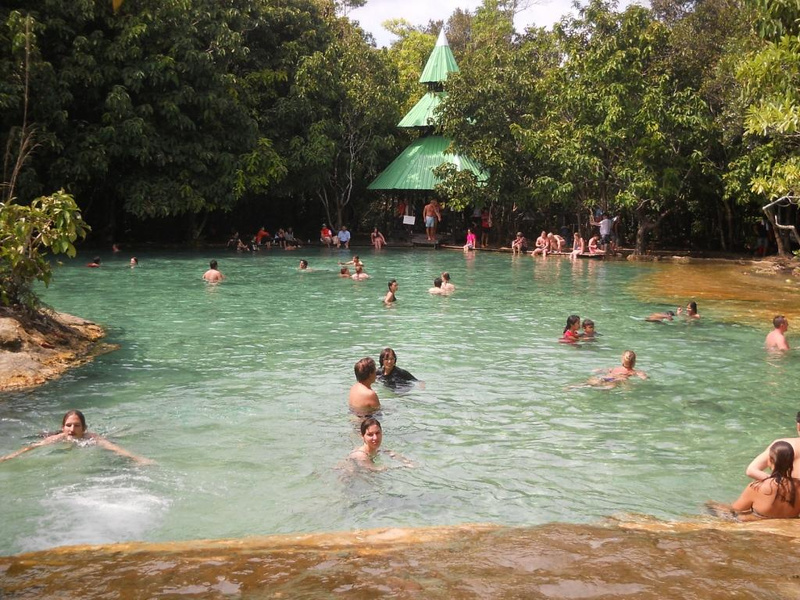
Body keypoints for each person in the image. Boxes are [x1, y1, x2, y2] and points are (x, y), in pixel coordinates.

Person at [0, 410, 153, 465]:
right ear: (63, 427)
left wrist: (138, 459)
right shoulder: (56, 438)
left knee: (117, 436)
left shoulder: (92, 438)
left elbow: (115, 448)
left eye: (77, 425)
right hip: (54, 437)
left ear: (84, 428)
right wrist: (9, 456)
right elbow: (32, 447)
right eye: (68, 425)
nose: (72, 429)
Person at [707, 441, 800, 521]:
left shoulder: (757, 487)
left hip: (760, 524)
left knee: (711, 506)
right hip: (787, 520)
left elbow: (736, 509)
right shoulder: (798, 485)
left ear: (770, 460)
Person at [746, 412, 800, 481]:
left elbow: (751, 470)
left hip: (785, 486)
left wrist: (777, 483)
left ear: (798, 426)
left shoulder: (783, 445)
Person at [348, 418, 413, 471]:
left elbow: (391, 453)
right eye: (370, 434)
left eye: (377, 433)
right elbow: (377, 470)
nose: (375, 438)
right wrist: (403, 466)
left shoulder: (377, 449)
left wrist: (407, 462)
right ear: (362, 436)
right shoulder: (361, 456)